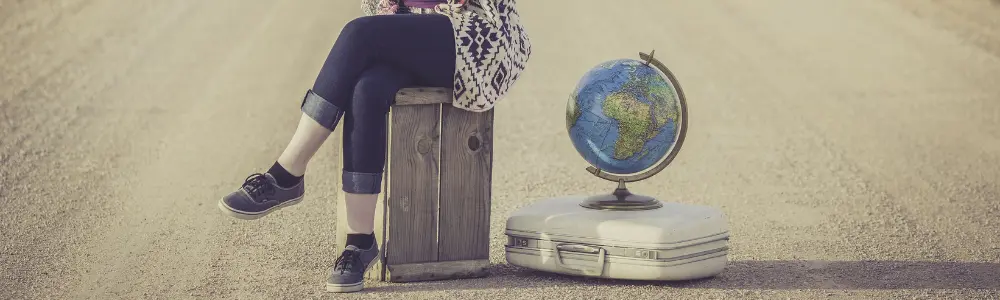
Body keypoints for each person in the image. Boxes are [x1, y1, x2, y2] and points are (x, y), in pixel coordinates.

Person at [215, 0, 530, 294]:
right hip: (406, 29)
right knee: (366, 88)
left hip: (473, 34)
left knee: (358, 33)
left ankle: (286, 173)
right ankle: (360, 241)